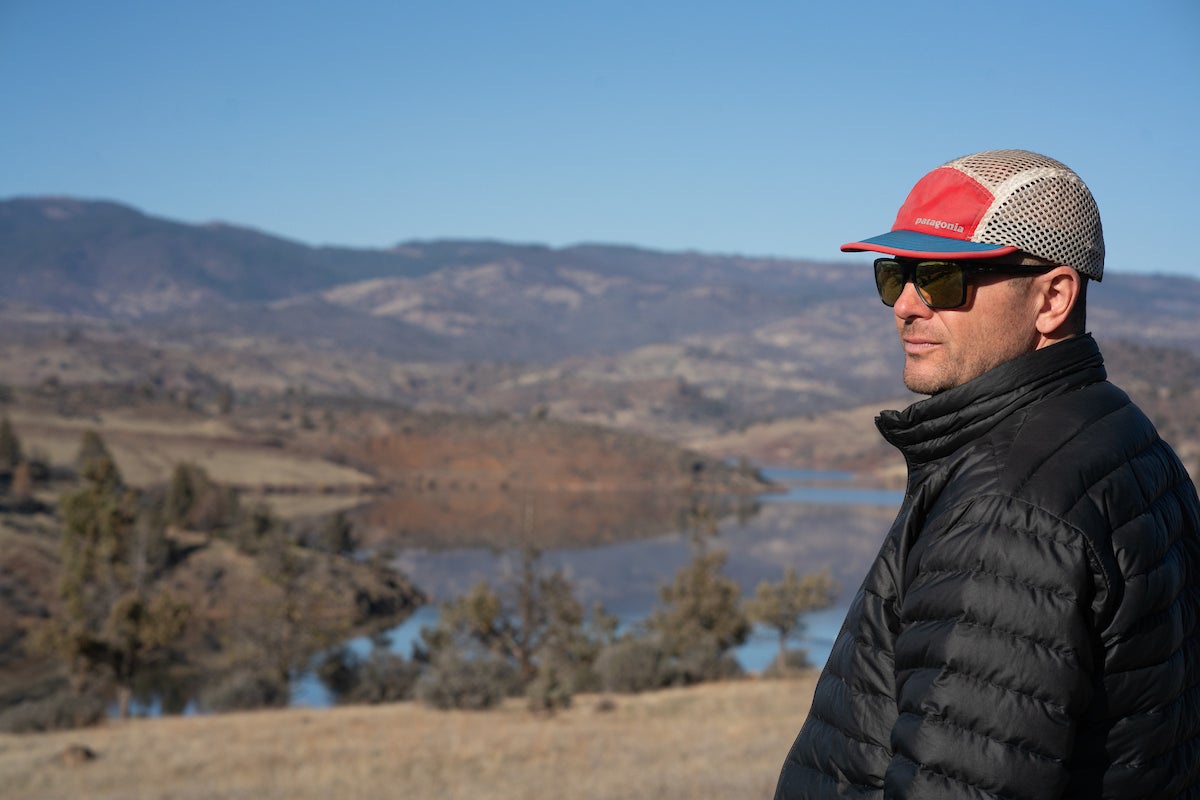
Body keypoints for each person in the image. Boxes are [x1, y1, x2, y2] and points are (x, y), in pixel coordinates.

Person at [773, 149, 1200, 798]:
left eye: (943, 277)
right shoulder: (1128, 443)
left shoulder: (1008, 512)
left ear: (1053, 297)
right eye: (896, 274)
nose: (906, 305)